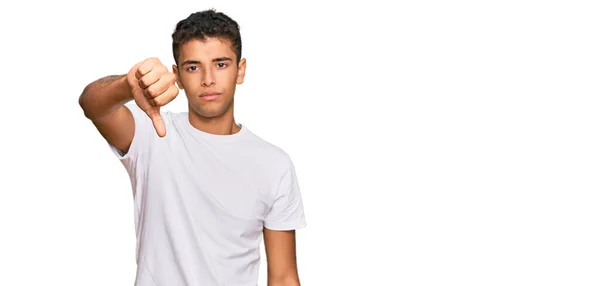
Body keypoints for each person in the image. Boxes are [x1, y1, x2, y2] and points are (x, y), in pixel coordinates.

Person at [78, 9, 306, 286]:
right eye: (193, 67)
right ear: (178, 76)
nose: (208, 78)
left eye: (221, 64)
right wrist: (127, 86)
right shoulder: (153, 135)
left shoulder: (274, 164)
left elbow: (283, 277)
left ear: (240, 70)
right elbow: (92, 105)